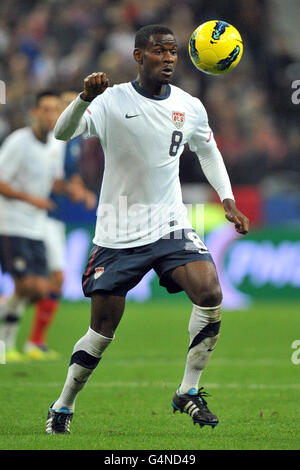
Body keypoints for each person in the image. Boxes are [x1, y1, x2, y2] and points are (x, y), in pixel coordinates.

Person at [46, 24, 249, 434]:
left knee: (210, 291)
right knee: (102, 331)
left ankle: (188, 390)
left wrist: (227, 198)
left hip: (170, 223)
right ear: (139, 56)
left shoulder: (190, 106)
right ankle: (63, 406)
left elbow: (208, 150)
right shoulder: (110, 100)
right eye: (159, 51)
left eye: (173, 52)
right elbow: (62, 132)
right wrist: (84, 98)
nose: (169, 58)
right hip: (118, 230)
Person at [25, 90, 97, 360]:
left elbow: (71, 174)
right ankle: (33, 341)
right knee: (35, 285)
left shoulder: (73, 140)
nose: (69, 109)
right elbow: (53, 180)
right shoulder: (52, 140)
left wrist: (80, 188)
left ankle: (35, 342)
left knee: (48, 281)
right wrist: (73, 191)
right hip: (32, 215)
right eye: (64, 105)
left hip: (48, 217)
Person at [0, 91, 65, 361]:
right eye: (46, 110)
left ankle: (6, 329)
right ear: (35, 113)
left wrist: (74, 190)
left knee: (39, 289)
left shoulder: (53, 146)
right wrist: (32, 200)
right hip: (12, 223)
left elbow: (55, 181)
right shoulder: (18, 142)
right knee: (26, 286)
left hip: (36, 227)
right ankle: (6, 344)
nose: (51, 115)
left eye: (55, 110)